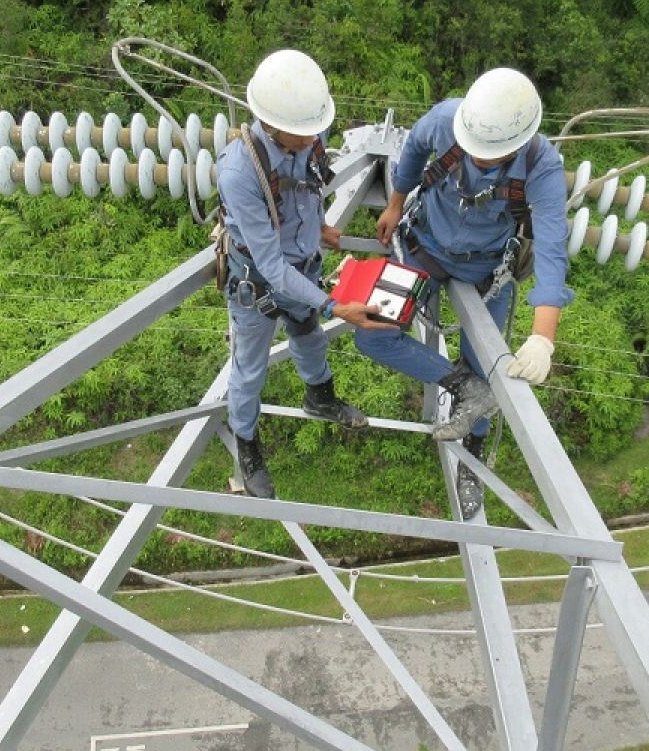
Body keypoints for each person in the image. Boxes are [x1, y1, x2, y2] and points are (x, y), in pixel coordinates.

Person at [355, 67, 573, 518]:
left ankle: (471, 458)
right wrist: (396, 204)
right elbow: (414, 148)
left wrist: (543, 336)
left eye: (492, 158)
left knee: (493, 370)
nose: (480, 162)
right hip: (422, 249)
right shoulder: (449, 120)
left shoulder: (542, 166)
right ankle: (464, 386)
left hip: (485, 270)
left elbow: (552, 250)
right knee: (372, 333)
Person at [216, 49, 387, 499]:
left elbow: (308, 187)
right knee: (249, 371)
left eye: (317, 129)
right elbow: (270, 265)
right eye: (305, 132)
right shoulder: (240, 171)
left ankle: (320, 399)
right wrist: (333, 305)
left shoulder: (308, 132)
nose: (315, 137)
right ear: (272, 124)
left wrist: (320, 226)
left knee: (309, 338)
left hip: (305, 266)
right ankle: (246, 443)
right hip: (259, 281)